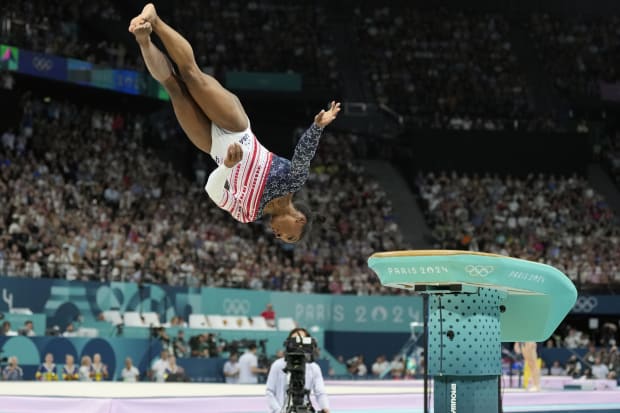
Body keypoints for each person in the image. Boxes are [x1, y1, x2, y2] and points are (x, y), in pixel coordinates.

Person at [128, 4, 341, 243]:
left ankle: (144, 40)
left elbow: (213, 191)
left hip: (212, 146)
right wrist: (318, 126)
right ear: (300, 220)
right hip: (236, 127)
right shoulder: (294, 180)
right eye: (289, 237)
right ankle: (155, 20)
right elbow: (304, 153)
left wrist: (228, 166)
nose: (280, 236)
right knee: (191, 75)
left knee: (174, 89)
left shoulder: (247, 214)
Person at [266, 327, 330, 413]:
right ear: (289, 343)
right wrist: (279, 411)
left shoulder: (314, 368)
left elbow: (320, 393)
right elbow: (270, 392)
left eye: (302, 340)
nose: (299, 345)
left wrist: (325, 408)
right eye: (295, 340)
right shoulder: (278, 365)